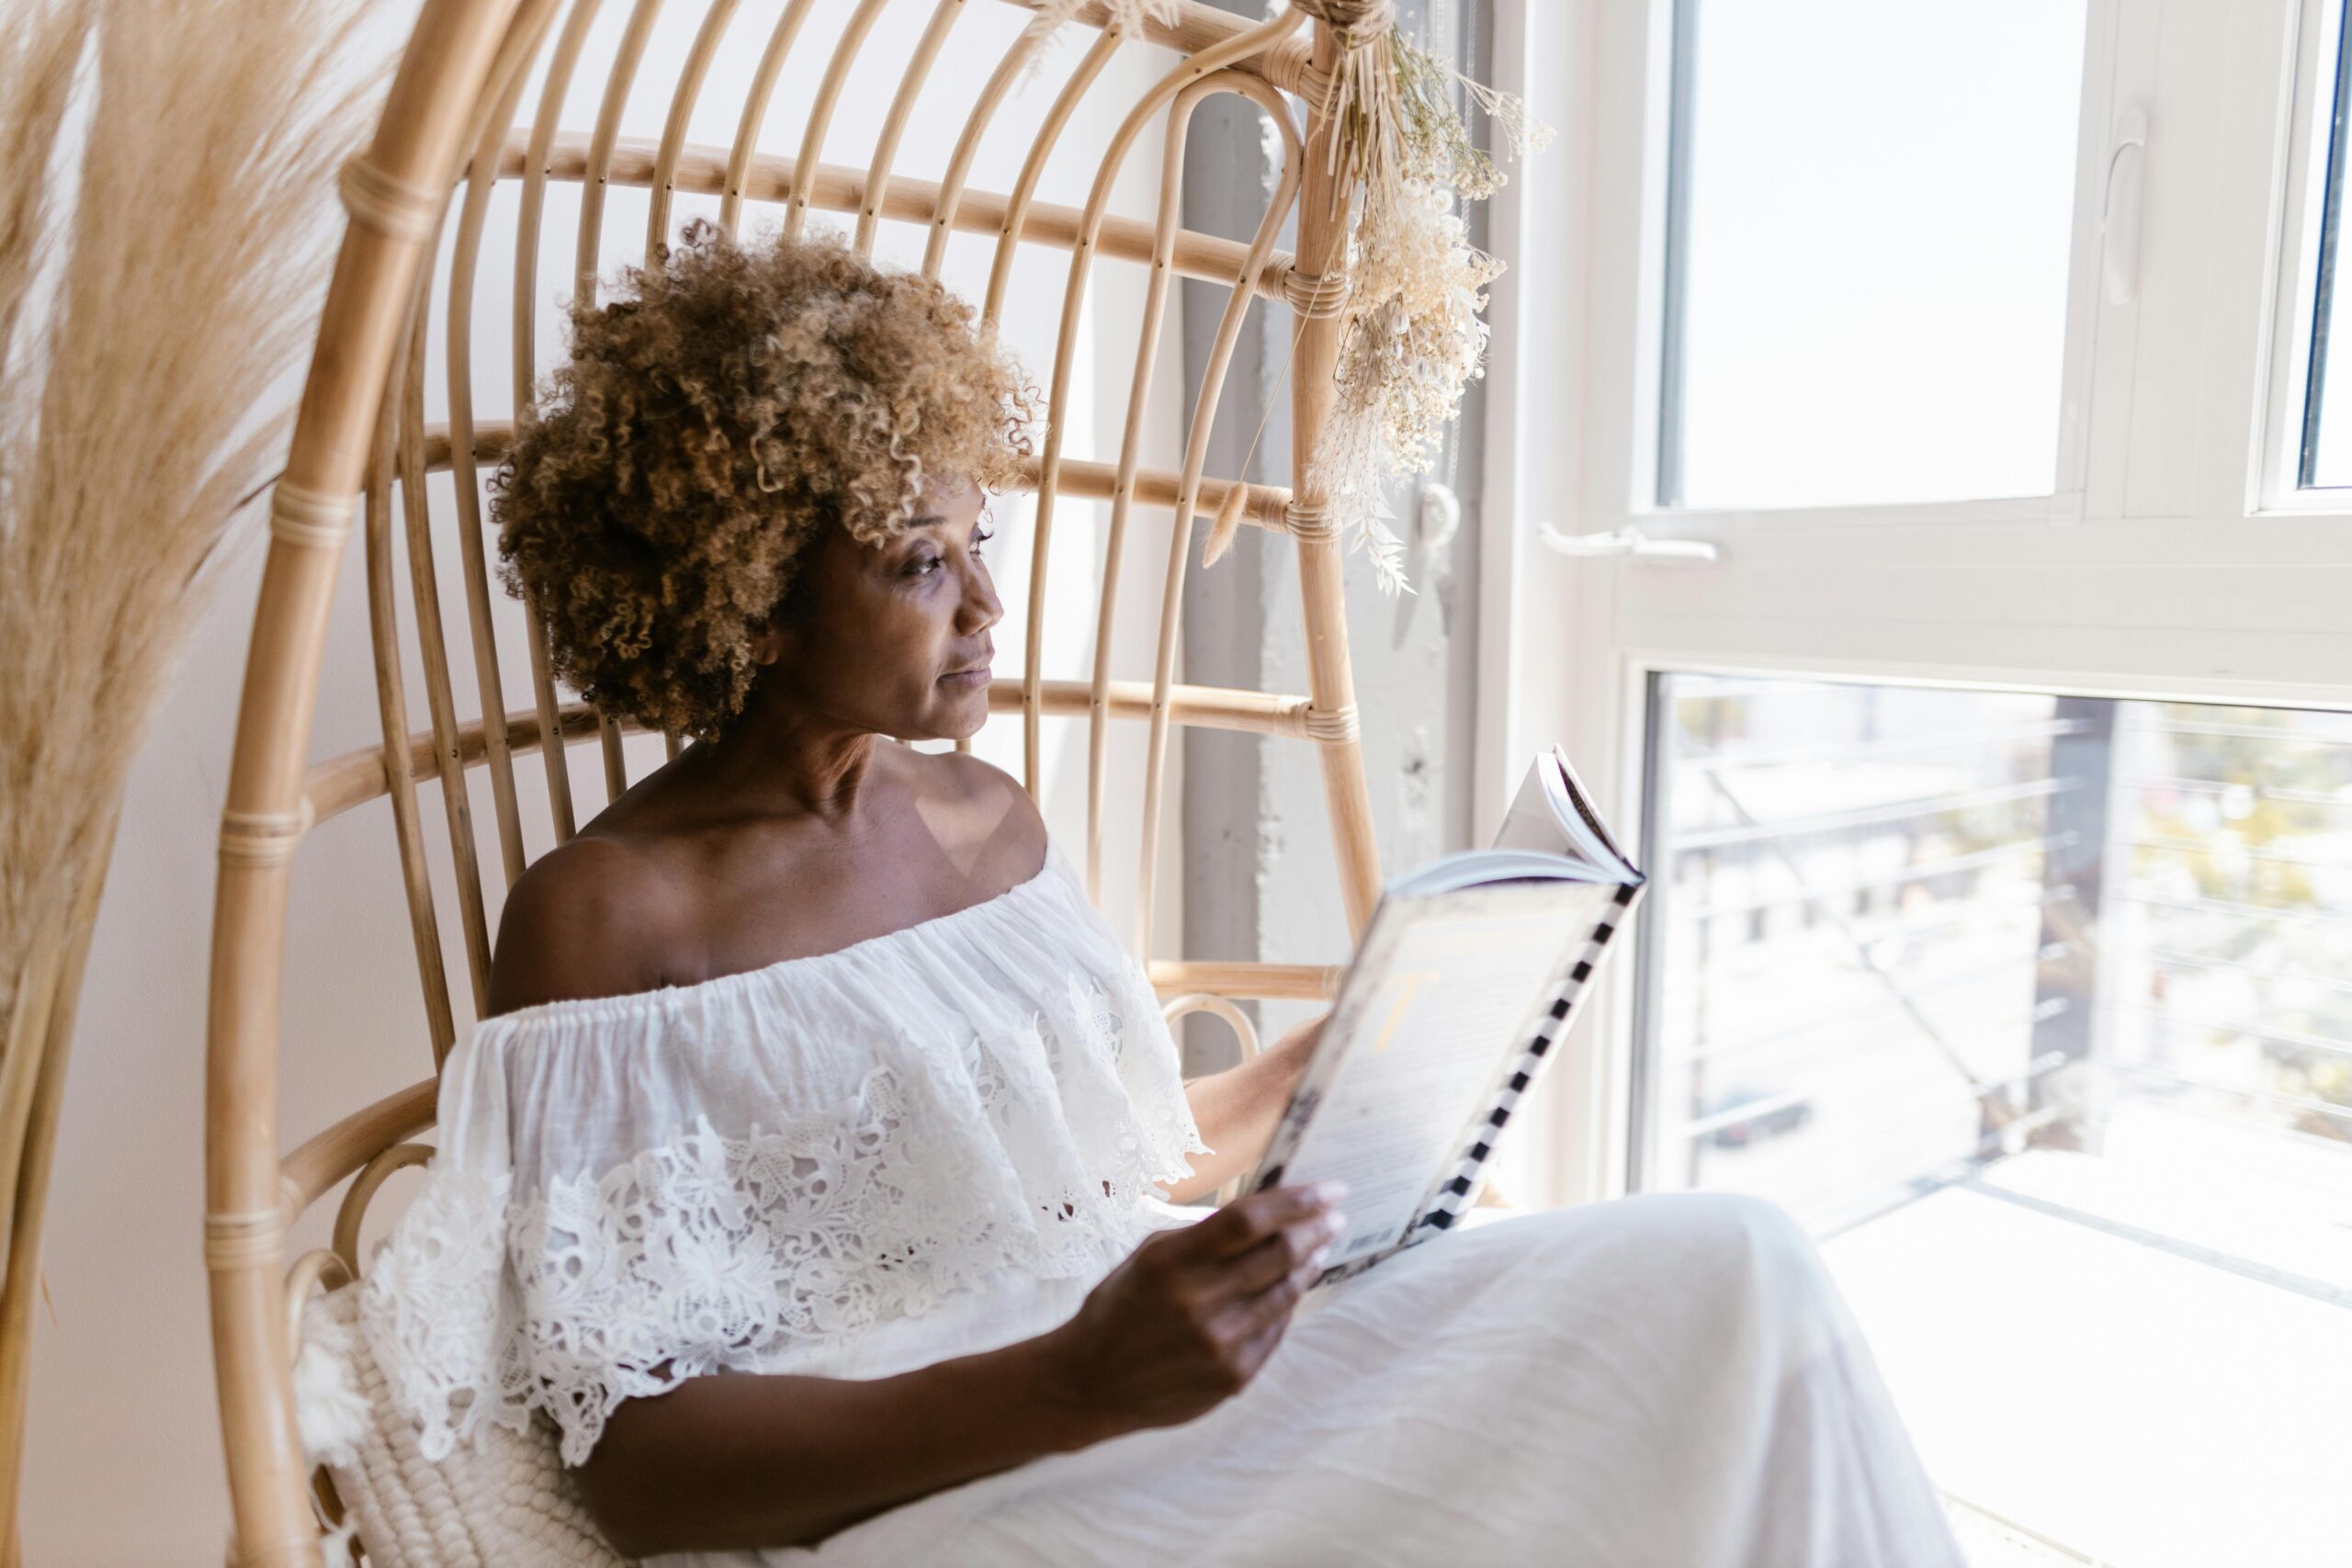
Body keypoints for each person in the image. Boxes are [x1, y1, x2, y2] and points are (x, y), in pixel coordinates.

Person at [356, 220, 1963, 1566]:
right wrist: (1078, 1381)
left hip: (1151, 1378)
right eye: (921, 564)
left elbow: (1115, 1165)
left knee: (1731, 1270)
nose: (988, 603)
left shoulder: (992, 827)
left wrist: (1368, 1050)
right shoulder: (614, 918)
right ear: (750, 593)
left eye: (982, 540)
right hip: (951, 1478)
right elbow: (638, 1472)